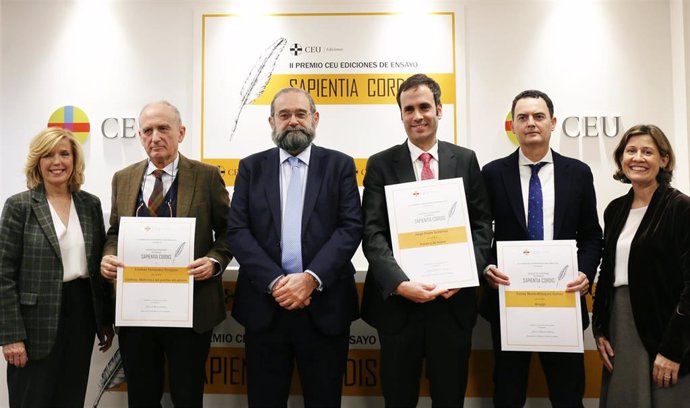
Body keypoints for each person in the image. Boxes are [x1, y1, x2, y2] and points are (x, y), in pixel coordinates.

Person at [360, 73, 493, 407]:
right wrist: (400, 284)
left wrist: (463, 276)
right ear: (401, 114)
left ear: (439, 109)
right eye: (409, 109)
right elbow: (372, 233)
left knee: (449, 398)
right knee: (398, 399)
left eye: (424, 107)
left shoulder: (465, 160)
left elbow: (482, 226)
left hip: (452, 306)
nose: (417, 116)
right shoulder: (379, 164)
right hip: (399, 308)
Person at [227, 87, 362, 407]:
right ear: (271, 121)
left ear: (315, 119)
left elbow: (350, 227)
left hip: (324, 307)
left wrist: (311, 277)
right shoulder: (250, 167)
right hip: (265, 309)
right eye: (284, 115)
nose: (293, 122)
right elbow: (238, 230)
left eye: (301, 114)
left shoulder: (340, 165)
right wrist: (276, 282)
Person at [100, 101, 232, 408]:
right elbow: (115, 232)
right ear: (140, 136)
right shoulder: (124, 178)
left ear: (181, 132)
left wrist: (214, 262)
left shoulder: (207, 176)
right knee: (142, 399)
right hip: (136, 312)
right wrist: (108, 256)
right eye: (147, 130)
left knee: (187, 398)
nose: (154, 136)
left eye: (163, 128)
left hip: (191, 310)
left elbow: (229, 233)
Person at [481, 89, 603, 407]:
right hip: (510, 303)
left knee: (567, 396)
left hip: (563, 301)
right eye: (522, 117)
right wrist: (487, 267)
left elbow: (592, 236)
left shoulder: (577, 173)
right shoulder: (493, 174)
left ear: (553, 122)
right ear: (513, 126)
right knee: (507, 395)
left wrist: (586, 273)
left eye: (538, 116)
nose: (531, 123)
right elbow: (481, 233)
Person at [0, 128, 114, 408]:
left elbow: (97, 268)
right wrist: (11, 335)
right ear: (37, 161)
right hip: (33, 323)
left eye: (64, 154)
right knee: (31, 399)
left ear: (75, 160)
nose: (57, 161)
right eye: (48, 155)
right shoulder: (19, 206)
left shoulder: (90, 204)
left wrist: (104, 320)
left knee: (71, 398)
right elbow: (3, 275)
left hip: (81, 315)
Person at [592, 124, 690, 407]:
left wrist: (673, 349)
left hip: (666, 327)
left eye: (648, 152)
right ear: (621, 158)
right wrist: (600, 329)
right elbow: (607, 270)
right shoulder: (615, 209)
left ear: (664, 160)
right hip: (620, 326)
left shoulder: (680, 208)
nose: (638, 158)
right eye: (630, 151)